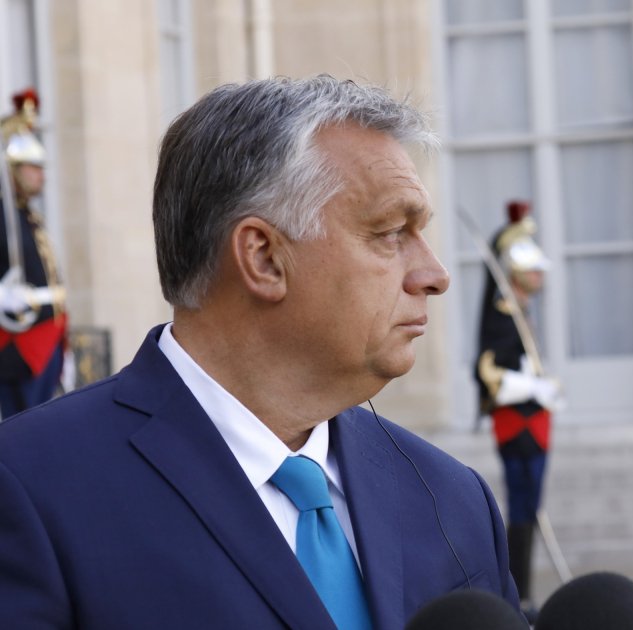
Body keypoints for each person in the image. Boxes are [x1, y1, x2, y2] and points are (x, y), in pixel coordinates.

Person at [0, 76, 519, 628]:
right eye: (391, 231)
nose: (434, 275)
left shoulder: (453, 497)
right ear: (264, 257)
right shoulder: (31, 486)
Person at [474, 199, 558, 617]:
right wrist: (537, 388)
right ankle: (518, 596)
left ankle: (522, 593)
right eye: (533, 269)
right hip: (518, 426)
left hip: (534, 425)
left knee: (529, 510)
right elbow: (491, 375)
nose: (539, 276)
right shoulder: (503, 316)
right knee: (521, 511)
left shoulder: (521, 311)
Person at [0, 88, 68, 417]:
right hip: (20, 343)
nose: (41, 174)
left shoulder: (28, 216)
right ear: (13, 169)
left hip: (47, 336)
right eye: (33, 167)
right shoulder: (4, 215)